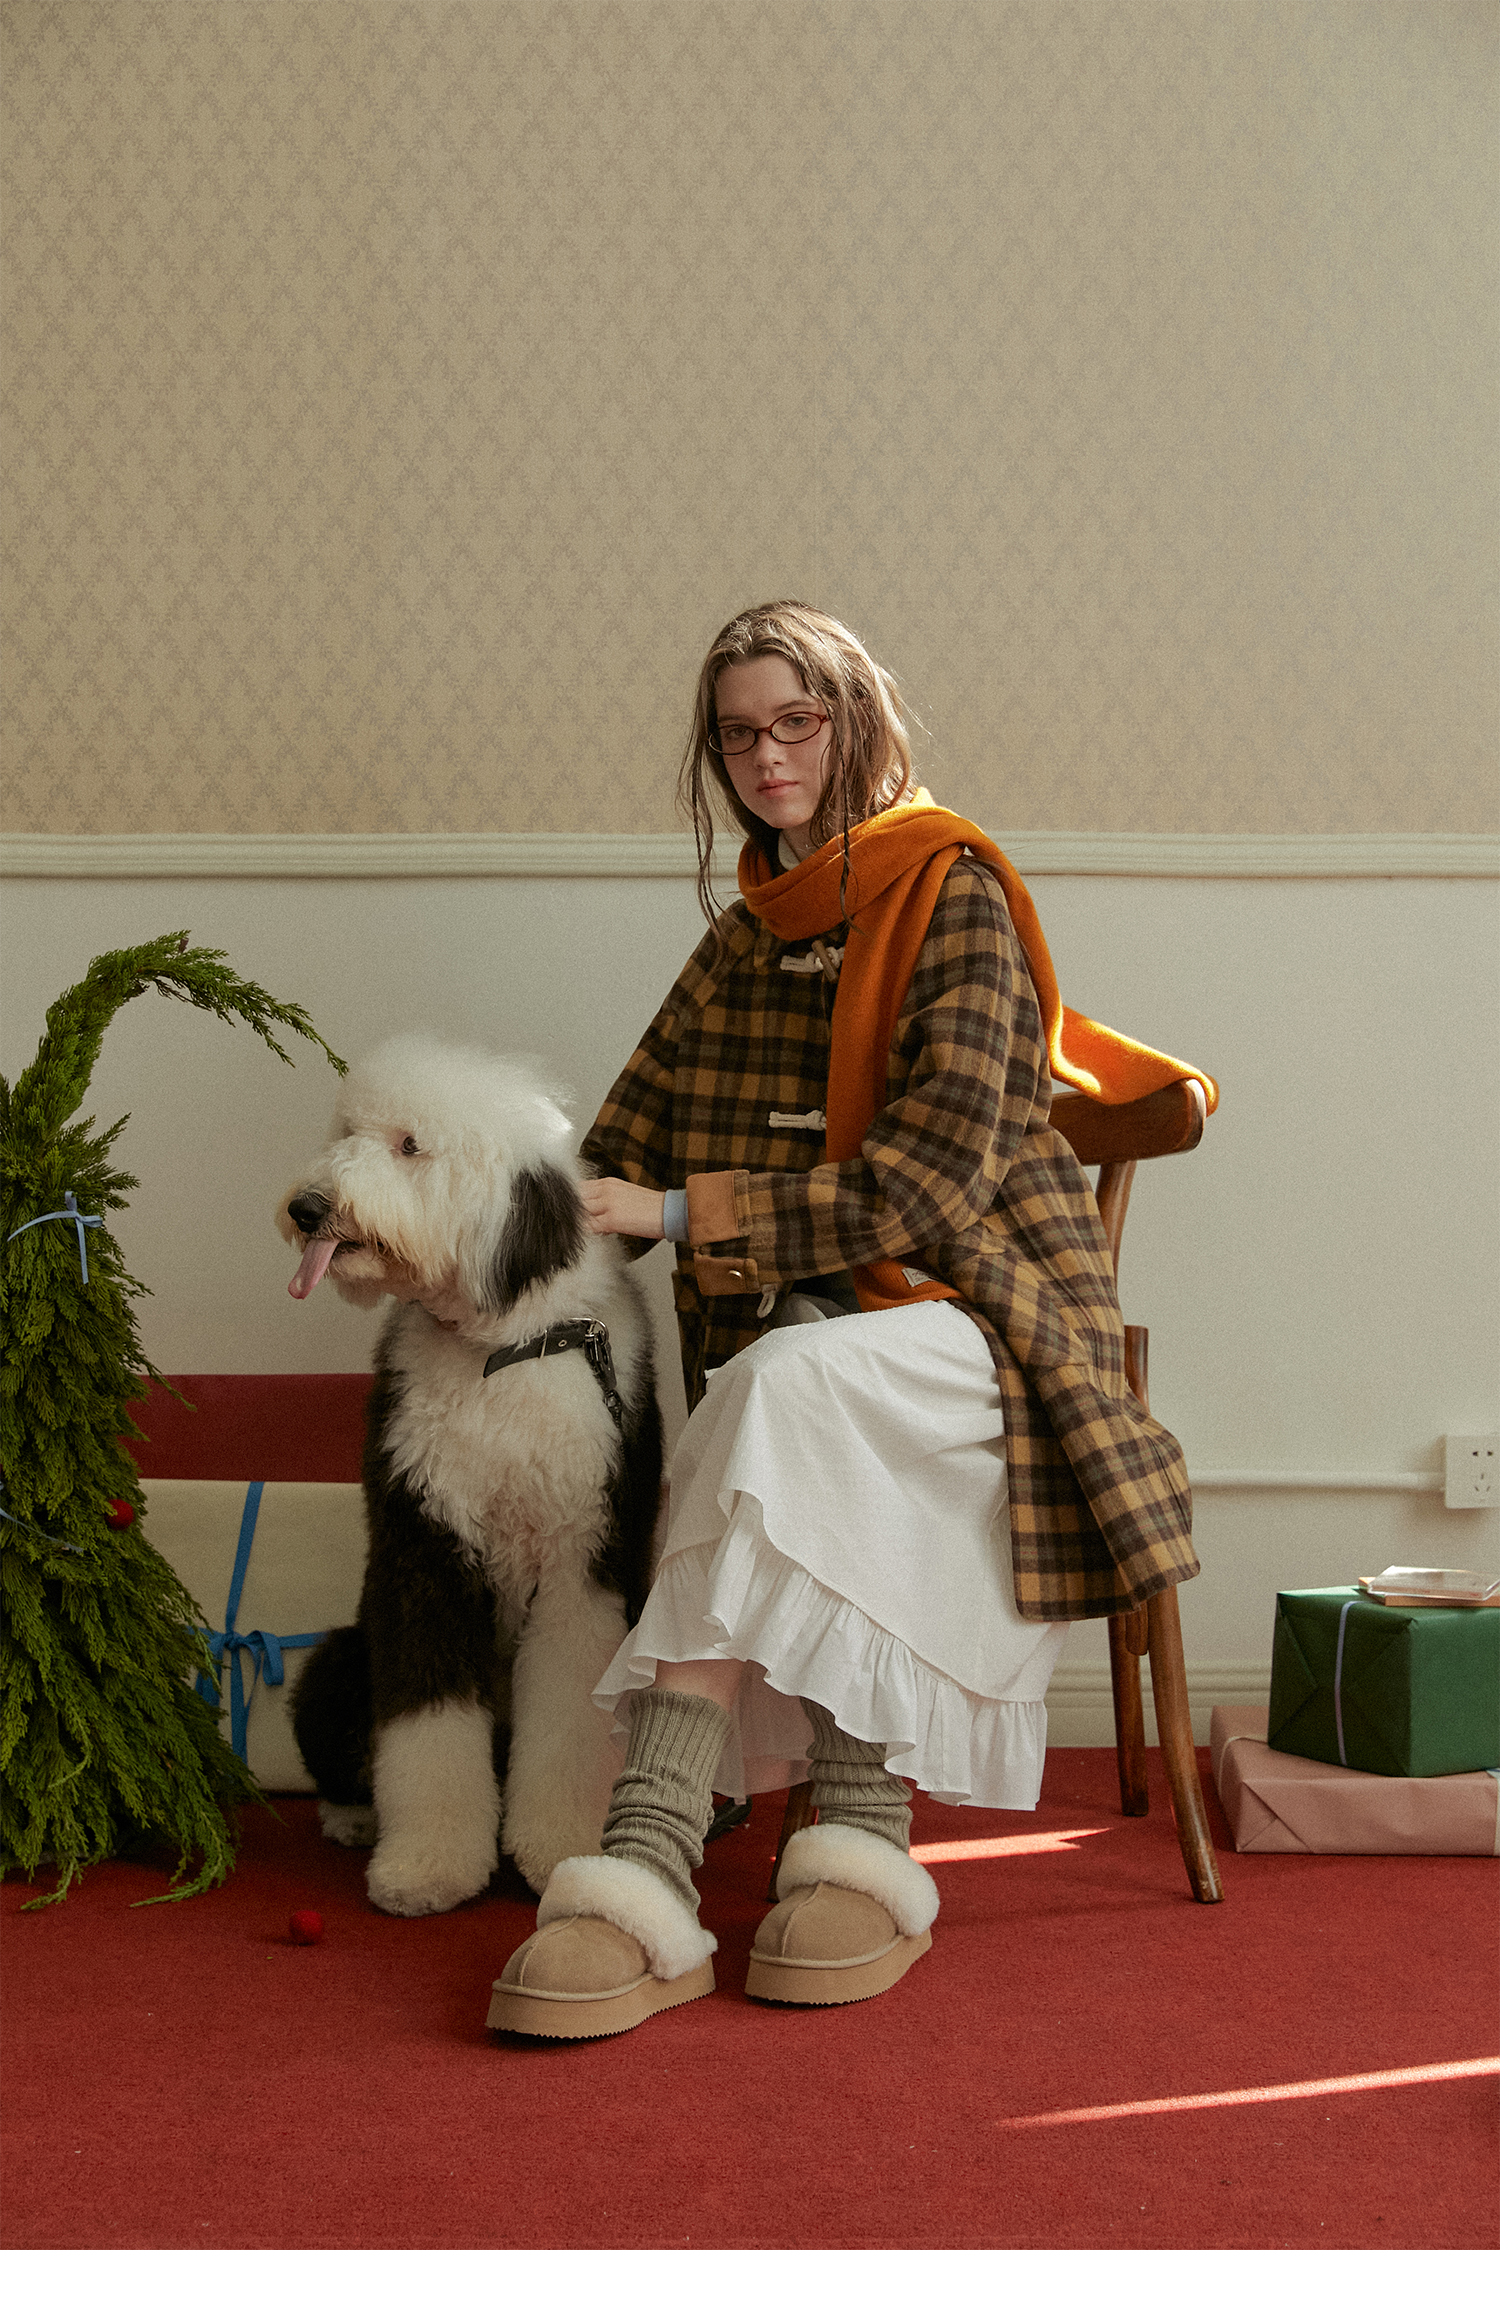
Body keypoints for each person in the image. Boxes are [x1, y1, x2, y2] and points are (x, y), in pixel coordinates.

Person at [488, 601, 1214, 2040]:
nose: (767, 758)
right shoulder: (743, 937)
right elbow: (621, 1139)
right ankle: (822, 1856)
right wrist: (466, 1216)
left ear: (853, 720)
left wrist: (688, 1214)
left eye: (796, 724)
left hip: (993, 1312)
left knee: (780, 1388)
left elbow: (929, 1186)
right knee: (789, 1380)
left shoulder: (956, 892)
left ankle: (667, 1845)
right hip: (816, 1327)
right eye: (738, 736)